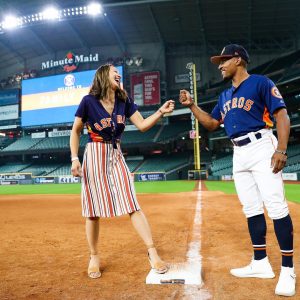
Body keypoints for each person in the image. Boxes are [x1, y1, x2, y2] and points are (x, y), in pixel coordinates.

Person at [179, 44, 296, 297]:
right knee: (251, 208)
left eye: (224, 60)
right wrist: (191, 105)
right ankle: (260, 262)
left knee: (276, 207)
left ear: (239, 60)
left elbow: (282, 115)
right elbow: (211, 123)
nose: (219, 65)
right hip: (238, 153)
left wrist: (282, 150)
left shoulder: (261, 83)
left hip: (262, 145)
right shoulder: (224, 96)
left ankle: (288, 270)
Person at [70, 64, 174, 279]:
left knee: (132, 203)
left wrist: (160, 112)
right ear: (102, 76)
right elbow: (76, 131)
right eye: (114, 71)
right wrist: (74, 158)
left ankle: (152, 252)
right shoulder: (88, 101)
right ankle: (94, 256)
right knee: (92, 210)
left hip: (116, 154)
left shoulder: (123, 101)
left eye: (119, 72)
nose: (118, 74)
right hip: (94, 153)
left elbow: (143, 125)